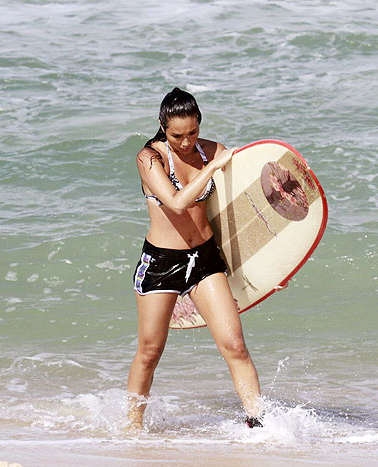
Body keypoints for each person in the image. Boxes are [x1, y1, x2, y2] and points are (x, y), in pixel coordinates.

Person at [126, 87, 263, 431]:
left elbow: (242, 202)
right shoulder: (149, 158)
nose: (186, 143)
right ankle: (131, 429)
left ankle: (258, 425)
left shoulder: (209, 150)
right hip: (161, 264)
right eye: (177, 135)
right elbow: (175, 202)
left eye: (193, 133)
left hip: (204, 258)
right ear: (162, 125)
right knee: (149, 352)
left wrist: (273, 260)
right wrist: (213, 166)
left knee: (235, 345)